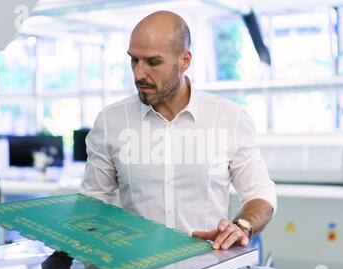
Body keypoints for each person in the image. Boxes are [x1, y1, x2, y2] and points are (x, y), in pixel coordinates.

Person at [80, 10, 276, 250]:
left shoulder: (228, 118)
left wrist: (241, 226)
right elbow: (93, 201)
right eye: (134, 60)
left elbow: (261, 194)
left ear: (184, 60)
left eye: (153, 62)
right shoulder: (111, 121)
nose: (139, 74)